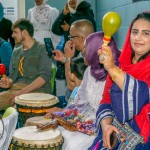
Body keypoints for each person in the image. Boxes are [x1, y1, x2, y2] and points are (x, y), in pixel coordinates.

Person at [46, 31, 120, 150]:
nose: (83, 51)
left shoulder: (116, 74)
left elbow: (113, 112)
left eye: (87, 48)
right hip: (85, 116)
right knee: (56, 131)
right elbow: (79, 101)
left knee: (72, 144)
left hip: (103, 124)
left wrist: (82, 123)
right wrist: (63, 113)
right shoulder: (89, 71)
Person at [90, 11, 150, 150]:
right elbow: (106, 100)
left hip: (142, 140)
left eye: (146, 33)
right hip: (114, 132)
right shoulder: (120, 65)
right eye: (135, 32)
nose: (138, 38)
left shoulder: (115, 68)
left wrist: (111, 68)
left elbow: (141, 93)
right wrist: (106, 127)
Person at [0, 18, 52, 111]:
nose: (12, 35)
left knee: (17, 108)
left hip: (37, 90)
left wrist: (20, 93)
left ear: (24, 32)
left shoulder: (42, 49)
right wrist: (9, 82)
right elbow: (12, 76)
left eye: (15, 32)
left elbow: (45, 76)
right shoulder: (16, 51)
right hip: (16, 89)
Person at [53, 19, 94, 103]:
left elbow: (72, 86)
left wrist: (68, 58)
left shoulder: (89, 58)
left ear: (80, 39)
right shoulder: (82, 52)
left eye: (71, 37)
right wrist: (64, 59)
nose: (70, 40)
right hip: (70, 100)